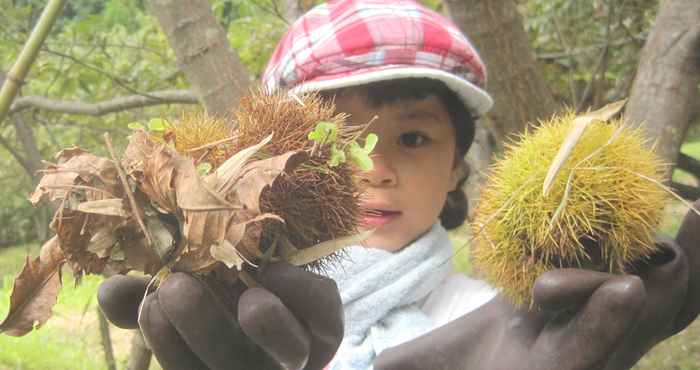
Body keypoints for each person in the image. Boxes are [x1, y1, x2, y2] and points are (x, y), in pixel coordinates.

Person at [97, 0, 700, 369]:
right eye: (336, 144)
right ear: (266, 168)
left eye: (413, 139)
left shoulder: (507, 321)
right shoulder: (227, 320)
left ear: (460, 166)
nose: (374, 169)